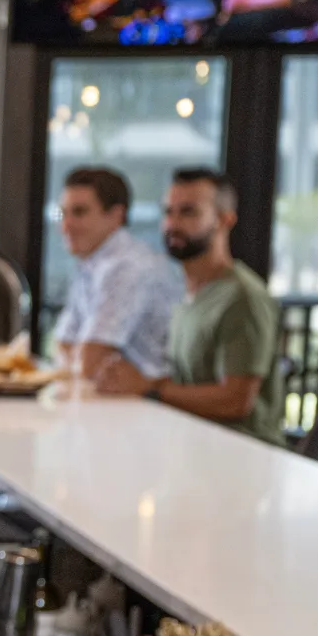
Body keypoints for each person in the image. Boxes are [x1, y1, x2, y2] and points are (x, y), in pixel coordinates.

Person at [96, 168, 285, 446]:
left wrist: (149, 387)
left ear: (224, 220)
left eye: (188, 212)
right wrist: (128, 380)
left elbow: (236, 400)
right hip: (191, 447)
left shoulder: (242, 297)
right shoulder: (187, 293)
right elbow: (190, 382)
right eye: (168, 212)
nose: (173, 224)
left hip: (241, 458)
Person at [51, 166, 182, 380]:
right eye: (63, 213)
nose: (66, 225)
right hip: (117, 400)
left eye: (79, 212)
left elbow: (88, 363)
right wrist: (76, 359)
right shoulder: (91, 262)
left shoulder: (128, 266)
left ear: (116, 215)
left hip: (152, 404)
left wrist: (76, 359)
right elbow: (61, 346)